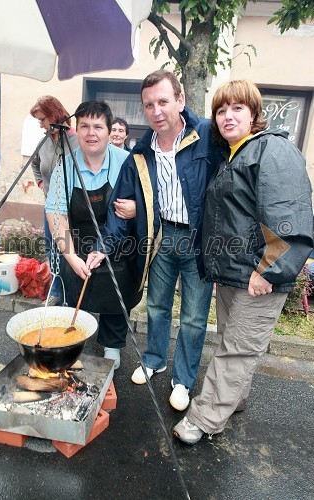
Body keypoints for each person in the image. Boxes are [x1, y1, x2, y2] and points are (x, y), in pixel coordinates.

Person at [173, 79, 314, 444]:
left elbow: (288, 219)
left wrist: (269, 270)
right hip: (235, 274)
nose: (227, 116)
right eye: (221, 110)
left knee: (237, 349)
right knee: (231, 343)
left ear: (254, 113)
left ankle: (204, 419)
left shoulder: (272, 150)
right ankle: (232, 399)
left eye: (237, 108)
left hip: (260, 276)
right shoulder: (234, 154)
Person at [89, 70, 221, 411]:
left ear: (180, 99)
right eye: (149, 105)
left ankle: (183, 379)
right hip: (160, 237)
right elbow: (120, 207)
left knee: (193, 317)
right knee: (158, 305)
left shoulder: (207, 135)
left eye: (163, 101)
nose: (157, 110)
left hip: (197, 239)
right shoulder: (141, 151)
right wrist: (103, 247)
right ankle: (154, 359)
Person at [45, 101, 141, 370]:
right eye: (84, 126)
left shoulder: (127, 163)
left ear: (110, 132)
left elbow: (149, 199)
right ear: (76, 129)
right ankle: (77, 344)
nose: (91, 133)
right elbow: (56, 213)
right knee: (77, 297)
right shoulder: (65, 166)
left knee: (116, 298)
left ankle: (112, 345)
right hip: (77, 243)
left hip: (119, 246)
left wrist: (137, 208)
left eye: (98, 126)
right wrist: (71, 256)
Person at [30, 95, 79, 305]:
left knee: (70, 249)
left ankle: (73, 296)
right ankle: (57, 292)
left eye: (42, 119)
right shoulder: (44, 141)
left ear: (54, 115)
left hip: (72, 207)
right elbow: (34, 164)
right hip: (50, 206)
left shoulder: (76, 140)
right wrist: (42, 185)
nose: (41, 125)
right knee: (52, 248)